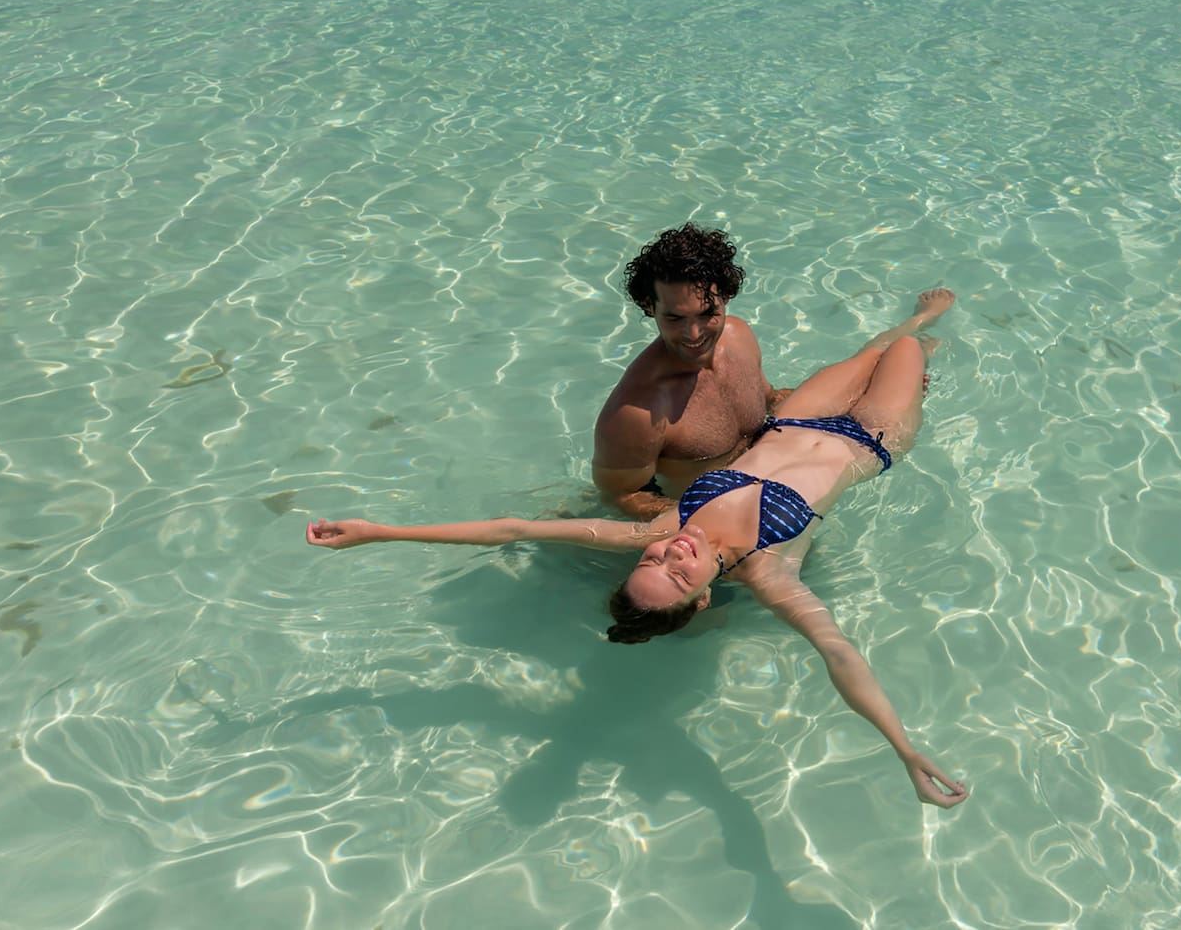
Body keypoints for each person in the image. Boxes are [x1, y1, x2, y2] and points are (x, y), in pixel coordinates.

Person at [308, 291, 968, 808]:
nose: (667, 555)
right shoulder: (771, 572)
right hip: (870, 438)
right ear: (703, 594)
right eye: (676, 573)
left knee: (879, 344)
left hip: (795, 417)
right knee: (909, 358)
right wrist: (904, 750)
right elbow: (837, 653)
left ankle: (916, 318)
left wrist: (380, 532)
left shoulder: (655, 530)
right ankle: (928, 341)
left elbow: (512, 529)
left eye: (652, 563)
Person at [593, 224, 948, 519]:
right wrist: (723, 522)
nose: (694, 334)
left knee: (876, 361)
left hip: (781, 455)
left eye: (707, 313)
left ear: (726, 297)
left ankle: (918, 323)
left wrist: (862, 397)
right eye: (674, 318)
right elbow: (622, 497)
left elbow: (770, 401)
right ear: (648, 306)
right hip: (733, 508)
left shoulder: (738, 337)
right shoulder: (636, 413)